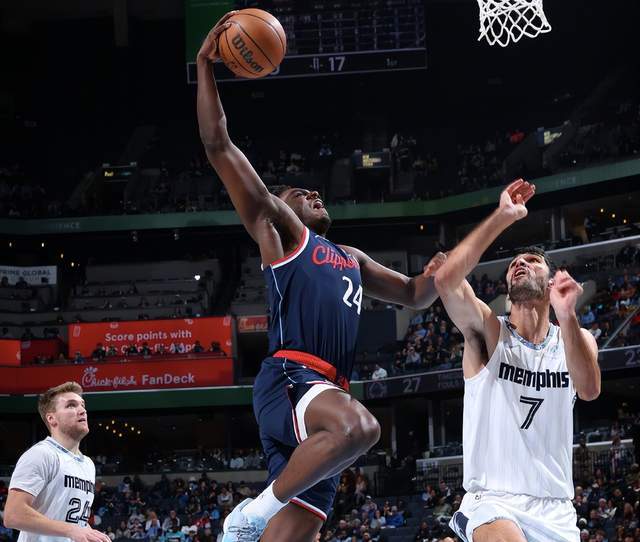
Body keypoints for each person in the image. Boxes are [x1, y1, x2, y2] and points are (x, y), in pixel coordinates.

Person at [196, 14, 445, 542]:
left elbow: (415, 294)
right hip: (292, 378)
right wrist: (204, 66)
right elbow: (219, 146)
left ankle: (254, 522)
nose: (312, 193)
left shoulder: (350, 256)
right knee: (363, 427)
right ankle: (252, 512)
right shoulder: (283, 236)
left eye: (313, 191)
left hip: (324, 399)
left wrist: (450, 265)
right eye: (297, 193)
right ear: (278, 208)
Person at [434, 180, 601, 542]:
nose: (520, 264)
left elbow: (589, 390)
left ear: (552, 282)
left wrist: (568, 316)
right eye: (513, 264)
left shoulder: (576, 338)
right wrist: (502, 216)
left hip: (555, 509)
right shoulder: (489, 332)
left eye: (532, 261)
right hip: (493, 500)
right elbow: (446, 280)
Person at [3, 381, 110, 542]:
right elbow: (13, 515)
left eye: (82, 405)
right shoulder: (41, 454)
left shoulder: (88, 464)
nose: (82, 410)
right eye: (71, 405)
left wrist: (90, 534)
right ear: (52, 418)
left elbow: (72, 521)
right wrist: (71, 530)